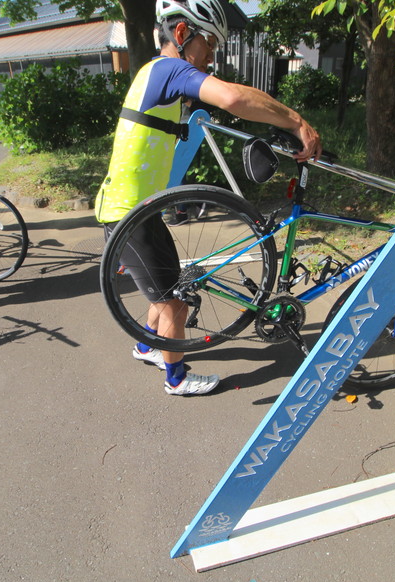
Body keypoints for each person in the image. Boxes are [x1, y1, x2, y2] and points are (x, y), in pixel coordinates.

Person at [95, 0, 321, 396]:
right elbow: (233, 98)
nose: (212, 57)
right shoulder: (167, 69)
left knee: (166, 288)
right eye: (211, 44)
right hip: (128, 213)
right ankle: (176, 378)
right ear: (182, 34)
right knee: (175, 301)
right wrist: (296, 122)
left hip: (138, 210)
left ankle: (147, 346)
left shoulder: (156, 73)